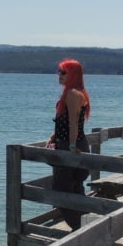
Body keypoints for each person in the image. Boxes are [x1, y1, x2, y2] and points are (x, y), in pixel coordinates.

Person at [46, 58, 91, 231]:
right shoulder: (76, 92)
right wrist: (55, 135)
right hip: (71, 142)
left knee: (61, 190)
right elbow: (67, 122)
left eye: (63, 72)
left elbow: (73, 123)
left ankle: (81, 229)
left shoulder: (73, 94)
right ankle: (85, 226)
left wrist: (71, 145)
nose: (59, 75)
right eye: (59, 71)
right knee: (74, 187)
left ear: (73, 75)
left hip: (71, 146)